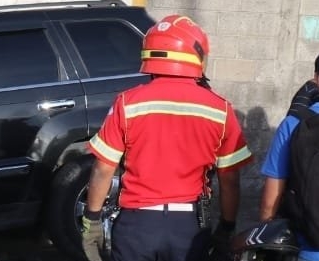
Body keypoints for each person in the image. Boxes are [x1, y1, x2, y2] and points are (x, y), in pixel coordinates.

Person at [80, 15, 253, 261]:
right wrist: (226, 226)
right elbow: (230, 180)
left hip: (136, 226)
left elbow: (102, 169)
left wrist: (92, 220)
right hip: (189, 227)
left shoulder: (127, 103)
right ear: (196, 55)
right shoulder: (220, 109)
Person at [258, 53, 319, 261]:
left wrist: (267, 237)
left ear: (316, 79)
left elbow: (271, 198)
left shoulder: (293, 124)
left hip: (306, 247)